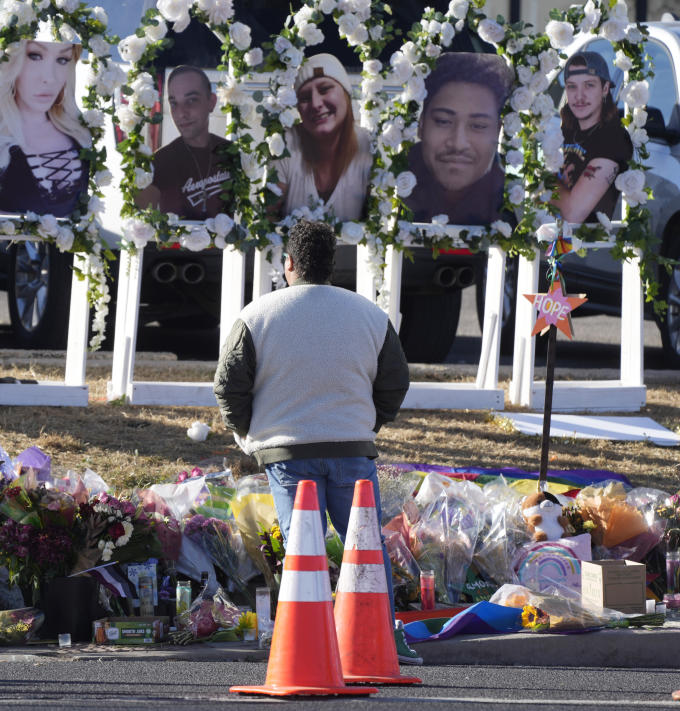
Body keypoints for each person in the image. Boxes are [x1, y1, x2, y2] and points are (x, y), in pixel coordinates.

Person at [212, 219, 420, 664]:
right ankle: (382, 636)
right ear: (333, 265)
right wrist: (369, 424)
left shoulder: (257, 315)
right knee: (364, 546)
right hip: (352, 449)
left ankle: (306, 641)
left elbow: (229, 386)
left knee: (302, 548)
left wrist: (249, 434)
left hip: (287, 454)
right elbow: (394, 382)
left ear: (288, 263)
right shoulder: (369, 314)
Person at [405, 52, 513, 225]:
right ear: (421, 124)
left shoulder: (517, 205)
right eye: (443, 121)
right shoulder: (386, 190)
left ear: (498, 131)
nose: (458, 143)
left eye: (478, 126)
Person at [0, 38, 90, 217]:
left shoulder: (80, 134)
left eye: (62, 60)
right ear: (10, 61)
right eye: (35, 56)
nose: (49, 78)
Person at [276, 53, 371, 221]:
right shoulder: (284, 145)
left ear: (346, 93)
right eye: (304, 98)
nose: (316, 104)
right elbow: (268, 221)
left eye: (325, 89)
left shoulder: (370, 146)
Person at [137, 65, 232, 218]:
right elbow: (141, 226)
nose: (181, 113)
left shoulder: (231, 154)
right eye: (174, 103)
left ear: (211, 102)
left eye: (191, 100)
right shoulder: (161, 161)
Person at [552, 51, 633, 224]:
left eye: (589, 85)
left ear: (605, 89)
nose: (579, 96)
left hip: (594, 246)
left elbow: (573, 214)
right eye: (572, 86)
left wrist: (545, 180)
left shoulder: (613, 139)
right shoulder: (567, 131)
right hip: (557, 242)